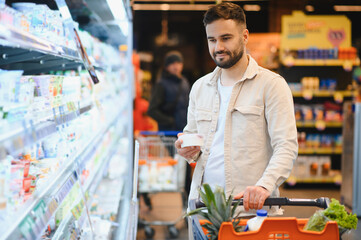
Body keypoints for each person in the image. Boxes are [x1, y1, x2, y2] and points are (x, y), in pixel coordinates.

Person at [175, 1, 298, 227]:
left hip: (252, 212)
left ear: (245, 36)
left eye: (226, 38)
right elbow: (192, 138)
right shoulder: (200, 88)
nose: (218, 47)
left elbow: (286, 146)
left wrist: (264, 185)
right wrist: (185, 149)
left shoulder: (271, 85)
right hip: (205, 208)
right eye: (212, 40)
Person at [148, 51, 190, 132]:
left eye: (178, 63)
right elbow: (152, 110)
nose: (176, 66)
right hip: (169, 132)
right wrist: (170, 121)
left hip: (185, 129)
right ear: (167, 67)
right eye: (172, 63)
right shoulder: (161, 84)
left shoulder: (184, 82)